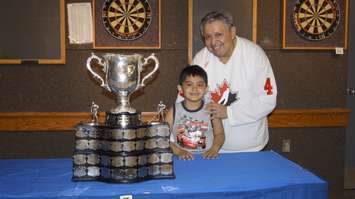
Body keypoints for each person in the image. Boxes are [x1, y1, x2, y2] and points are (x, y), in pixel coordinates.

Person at [190, 11, 277, 152]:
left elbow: (268, 101)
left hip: (251, 148)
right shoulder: (200, 59)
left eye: (218, 35)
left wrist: (229, 112)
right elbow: (186, 99)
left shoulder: (254, 56)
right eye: (208, 37)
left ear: (232, 32)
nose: (213, 42)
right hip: (211, 149)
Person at [166, 65, 225, 160]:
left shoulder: (211, 109)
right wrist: (179, 151)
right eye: (189, 84)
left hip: (207, 159)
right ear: (180, 89)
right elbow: (163, 138)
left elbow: (220, 134)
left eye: (199, 85)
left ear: (206, 89)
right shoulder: (173, 111)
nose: (194, 89)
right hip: (182, 160)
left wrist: (214, 148)